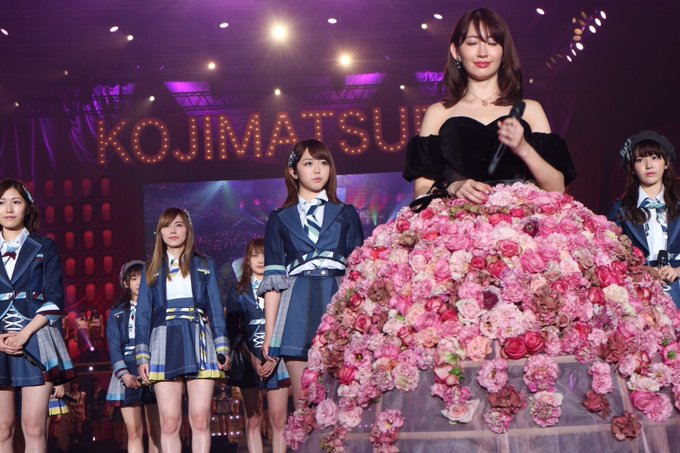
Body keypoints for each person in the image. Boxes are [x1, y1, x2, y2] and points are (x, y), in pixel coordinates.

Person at [406, 7, 576, 200]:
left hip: (521, 217)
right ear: (456, 51)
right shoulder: (438, 113)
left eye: (492, 43)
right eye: (472, 43)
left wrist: (523, 148)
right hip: (459, 218)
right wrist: (453, 187)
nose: (483, 52)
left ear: (503, 51)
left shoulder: (530, 110)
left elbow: (557, 188)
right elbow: (422, 191)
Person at [260, 138, 364, 410]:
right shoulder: (279, 218)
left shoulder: (346, 213)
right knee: (304, 402)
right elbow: (273, 281)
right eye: (308, 163)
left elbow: (360, 272)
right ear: (293, 172)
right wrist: (270, 333)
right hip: (296, 306)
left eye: (323, 163)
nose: (317, 170)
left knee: (342, 400)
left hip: (337, 303)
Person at [135, 207, 230, 453]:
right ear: (159, 232)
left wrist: (222, 346)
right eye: (167, 226)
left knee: (200, 419)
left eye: (179, 225)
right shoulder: (150, 268)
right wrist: (142, 356)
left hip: (198, 337)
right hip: (164, 339)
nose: (173, 231)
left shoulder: (205, 264)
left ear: (188, 230)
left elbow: (216, 309)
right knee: (169, 423)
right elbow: (143, 315)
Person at [0, 179, 75, 453]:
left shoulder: (44, 246)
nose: (9, 209)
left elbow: (55, 298)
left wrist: (24, 334)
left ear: (28, 207)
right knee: (2, 429)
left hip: (35, 338)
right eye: (2, 202)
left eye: (16, 202)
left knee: (34, 426)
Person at [227, 238, 290, 453]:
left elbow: (288, 324)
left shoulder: (283, 287)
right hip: (249, 359)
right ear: (247, 259)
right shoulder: (238, 291)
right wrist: (252, 359)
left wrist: (275, 357)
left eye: (265, 255)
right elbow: (234, 332)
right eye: (255, 255)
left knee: (279, 419)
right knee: (253, 418)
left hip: (278, 359)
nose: (260, 260)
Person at [608, 130, 680, 307]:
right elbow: (609, 252)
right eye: (640, 160)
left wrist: (678, 270)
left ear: (666, 163)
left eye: (654, 157)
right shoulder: (620, 209)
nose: (649, 165)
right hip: (639, 294)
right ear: (632, 168)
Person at [106, 260, 161, 453]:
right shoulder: (117, 313)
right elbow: (114, 347)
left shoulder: (157, 308)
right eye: (134, 278)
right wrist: (124, 375)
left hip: (153, 367)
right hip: (127, 370)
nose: (138, 282)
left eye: (142, 278)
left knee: (156, 431)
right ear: (126, 283)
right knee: (133, 432)